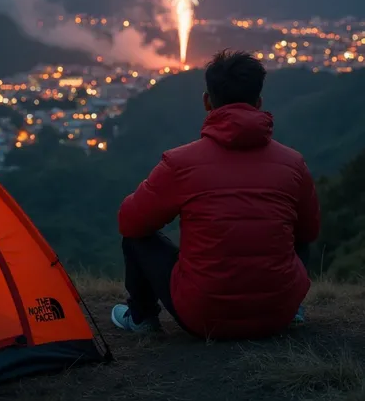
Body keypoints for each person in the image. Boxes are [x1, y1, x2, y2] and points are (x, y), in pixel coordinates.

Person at [111, 50, 320, 340]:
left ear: (207, 101)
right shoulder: (294, 163)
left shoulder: (180, 163)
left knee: (137, 238)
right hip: (277, 313)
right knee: (298, 231)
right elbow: (309, 231)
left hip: (202, 315)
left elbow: (130, 222)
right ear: (258, 103)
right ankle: (294, 309)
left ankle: (142, 317)